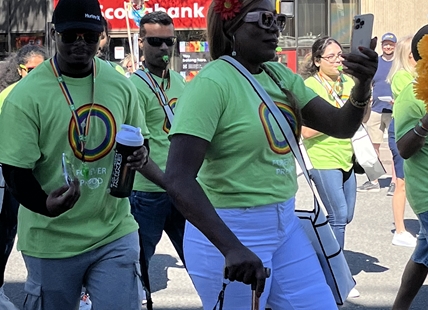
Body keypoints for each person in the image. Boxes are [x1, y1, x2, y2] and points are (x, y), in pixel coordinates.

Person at [163, 0, 377, 308]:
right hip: (229, 230)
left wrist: (362, 84)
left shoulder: (279, 76)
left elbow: (340, 126)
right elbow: (178, 178)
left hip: (285, 224)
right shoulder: (211, 83)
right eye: (264, 19)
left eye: (278, 19)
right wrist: (231, 247)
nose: (275, 28)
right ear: (230, 26)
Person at [0, 0, 149, 308]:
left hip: (114, 231)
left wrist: (140, 156)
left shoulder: (120, 85)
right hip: (51, 239)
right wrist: (45, 205)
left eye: (90, 36)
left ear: (102, 37)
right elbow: (15, 170)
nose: (81, 44)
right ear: (55, 35)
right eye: (71, 36)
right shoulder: (27, 96)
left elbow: (139, 140)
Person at [299, 36, 368, 298]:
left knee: (346, 216)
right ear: (317, 61)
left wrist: (364, 96)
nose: (338, 60)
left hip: (348, 157)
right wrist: (336, 118)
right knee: (338, 216)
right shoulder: (309, 86)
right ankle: (338, 278)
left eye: (341, 55)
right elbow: (305, 131)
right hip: (323, 159)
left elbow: (361, 117)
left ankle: (316, 257)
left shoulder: (348, 82)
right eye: (331, 57)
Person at [128, 10, 186, 296]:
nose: (163, 48)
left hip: (181, 187)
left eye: (169, 42)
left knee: (200, 257)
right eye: (154, 41)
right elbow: (137, 151)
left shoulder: (179, 81)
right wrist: (169, 184)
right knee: (137, 261)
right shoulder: (133, 86)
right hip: (148, 192)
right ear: (141, 42)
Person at [0, 45, 46, 310]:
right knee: (7, 232)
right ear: (20, 70)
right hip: (12, 175)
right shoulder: (8, 95)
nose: (40, 75)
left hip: (45, 176)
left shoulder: (56, 95)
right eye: (32, 70)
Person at [392, 24, 428, 309]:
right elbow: (403, 148)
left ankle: (400, 306)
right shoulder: (412, 95)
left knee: (424, 254)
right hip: (427, 192)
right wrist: (426, 122)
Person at [385, 35, 417, 248]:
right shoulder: (402, 76)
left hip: (414, 129)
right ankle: (400, 229)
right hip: (403, 130)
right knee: (402, 183)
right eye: (415, 54)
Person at [358, 32, 397, 194]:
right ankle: (374, 180)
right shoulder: (377, 62)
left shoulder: (398, 63)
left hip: (394, 110)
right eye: (385, 44)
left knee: (395, 147)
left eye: (391, 44)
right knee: (373, 146)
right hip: (376, 109)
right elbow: (369, 82)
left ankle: (395, 181)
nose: (388, 47)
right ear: (381, 45)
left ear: (395, 46)